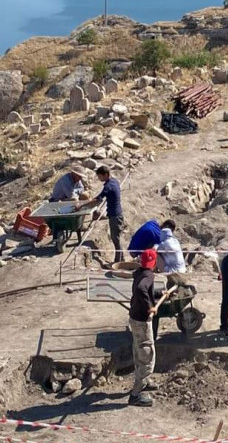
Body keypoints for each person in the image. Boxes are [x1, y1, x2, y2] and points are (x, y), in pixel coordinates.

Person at [128, 249, 159, 407]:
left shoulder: (139, 273)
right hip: (141, 320)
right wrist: (150, 307)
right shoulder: (148, 275)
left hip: (134, 317)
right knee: (147, 355)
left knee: (138, 350)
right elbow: (141, 289)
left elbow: (144, 289)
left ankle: (144, 380)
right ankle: (136, 394)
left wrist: (158, 294)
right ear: (153, 262)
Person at [76, 166, 124, 263]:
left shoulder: (108, 186)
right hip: (117, 214)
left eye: (100, 176)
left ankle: (119, 261)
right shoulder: (114, 181)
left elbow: (98, 198)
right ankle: (120, 259)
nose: (99, 179)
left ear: (105, 175)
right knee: (116, 238)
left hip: (115, 216)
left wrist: (82, 204)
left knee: (116, 239)